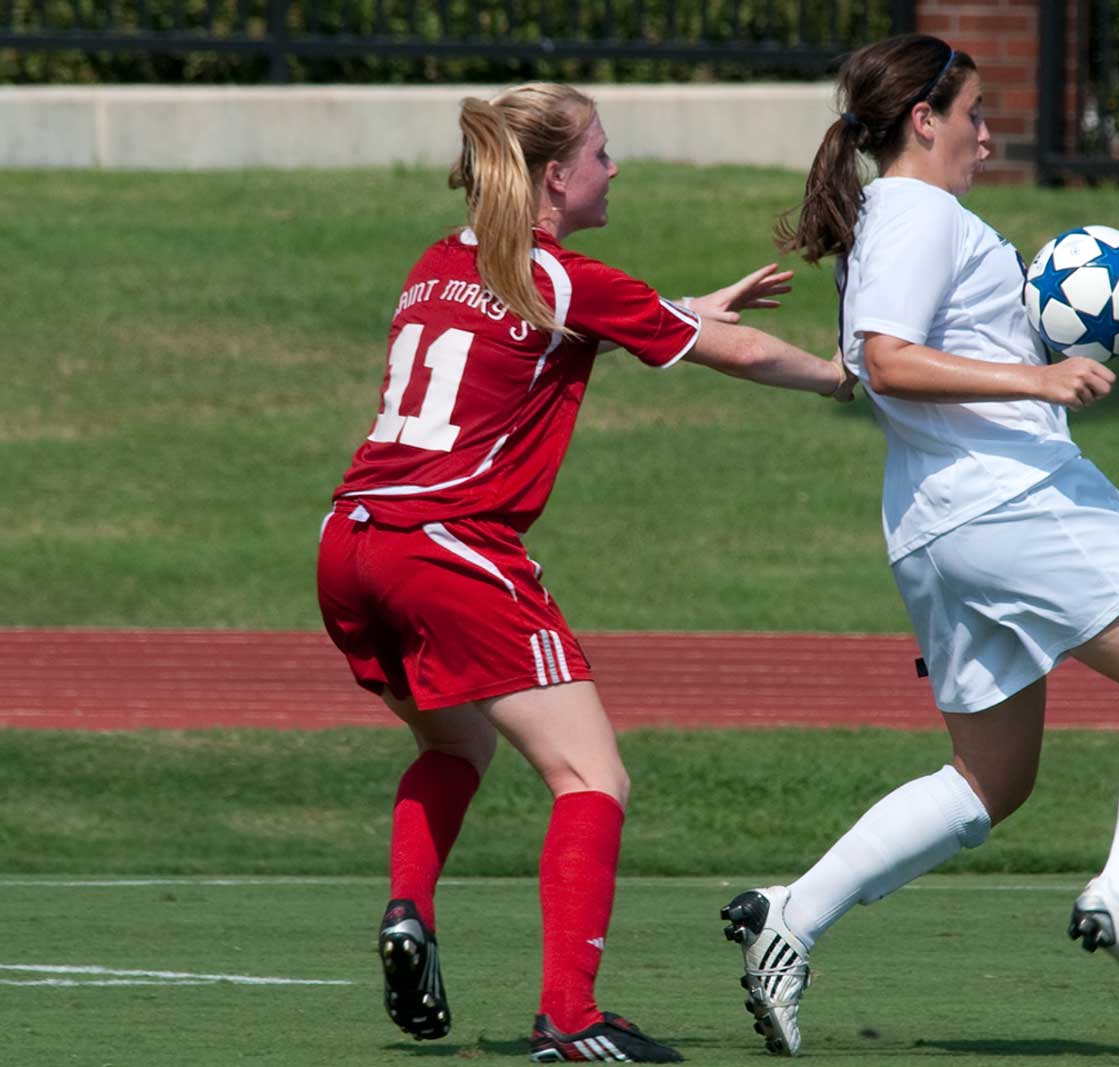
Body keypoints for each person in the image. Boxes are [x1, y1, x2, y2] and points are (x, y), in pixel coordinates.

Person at [717, 34, 1119, 1056]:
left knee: (989, 779)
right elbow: (887, 360)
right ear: (924, 120)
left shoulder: (888, 219)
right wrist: (1035, 378)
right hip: (1012, 499)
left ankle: (791, 915)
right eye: (973, 116)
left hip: (937, 529)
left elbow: (862, 366)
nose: (989, 137)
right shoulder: (917, 211)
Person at [316, 82, 851, 1064]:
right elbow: (733, 353)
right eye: (601, 152)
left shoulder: (438, 262)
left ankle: (408, 910)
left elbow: (556, 321)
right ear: (557, 176)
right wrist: (845, 376)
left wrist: (678, 311)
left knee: (457, 744)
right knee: (590, 775)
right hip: (448, 547)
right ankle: (568, 1014)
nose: (615, 167)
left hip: (350, 540)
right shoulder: (562, 278)